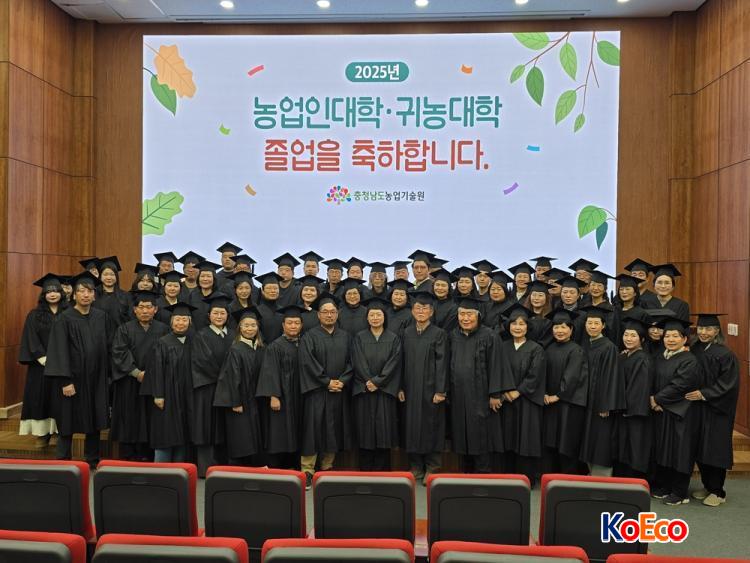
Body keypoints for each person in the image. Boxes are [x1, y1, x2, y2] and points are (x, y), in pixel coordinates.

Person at [44, 271, 110, 467]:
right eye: (81, 291)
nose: (85, 295)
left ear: (94, 295)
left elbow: (107, 346)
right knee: (67, 422)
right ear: (73, 294)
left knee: (94, 420)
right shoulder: (64, 318)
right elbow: (58, 351)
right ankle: (63, 461)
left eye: (89, 291)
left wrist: (106, 376)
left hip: (96, 379)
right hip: (72, 380)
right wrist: (65, 381)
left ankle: (92, 460)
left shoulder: (101, 316)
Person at [299, 293, 353, 488]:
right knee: (312, 430)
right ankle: (307, 470)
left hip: (338, 391)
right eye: (325, 312)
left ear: (337, 314)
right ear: (318, 315)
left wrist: (343, 381)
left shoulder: (346, 336)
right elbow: (307, 362)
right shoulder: (309, 336)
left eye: (332, 312)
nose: (329, 315)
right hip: (317, 391)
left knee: (333, 428)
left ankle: (327, 467)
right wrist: (326, 382)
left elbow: (352, 361)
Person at [110, 290, 169, 461]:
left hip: (154, 383)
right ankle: (129, 456)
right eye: (141, 307)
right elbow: (119, 352)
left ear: (155, 309)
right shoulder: (124, 329)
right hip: (129, 382)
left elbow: (167, 355)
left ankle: (147, 456)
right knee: (129, 418)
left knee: (150, 419)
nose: (145, 310)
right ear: (134, 310)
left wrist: (151, 374)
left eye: (149, 307)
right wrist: (137, 373)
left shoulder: (163, 329)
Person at [448, 297, 504, 473]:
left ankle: (483, 476)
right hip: (458, 395)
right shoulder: (453, 336)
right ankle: (466, 475)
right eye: (462, 314)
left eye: (469, 314)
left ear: (478, 316)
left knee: (481, 436)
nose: (465, 318)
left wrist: (495, 394)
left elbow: (496, 365)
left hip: (481, 396)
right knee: (461, 435)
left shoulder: (490, 336)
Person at [689, 313, 740, 507]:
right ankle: (708, 486)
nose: (703, 332)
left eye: (708, 329)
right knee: (700, 448)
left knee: (715, 449)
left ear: (717, 331)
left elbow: (729, 384)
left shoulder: (725, 354)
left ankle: (718, 491)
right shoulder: (695, 349)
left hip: (717, 410)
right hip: (698, 409)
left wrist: (704, 394)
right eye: (701, 328)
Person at [650, 317, 701, 505]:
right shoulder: (660, 357)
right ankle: (666, 486)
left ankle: (680, 492)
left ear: (684, 339)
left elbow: (680, 385)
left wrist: (657, 399)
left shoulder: (689, 360)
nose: (670, 339)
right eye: (667, 336)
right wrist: (653, 399)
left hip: (682, 413)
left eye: (675, 336)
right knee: (664, 449)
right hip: (662, 411)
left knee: (680, 451)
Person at [400, 291, 448, 484]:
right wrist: (400, 387)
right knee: (411, 426)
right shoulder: (406, 333)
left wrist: (440, 390)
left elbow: (442, 363)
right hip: (410, 388)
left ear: (431, 311)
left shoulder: (439, 333)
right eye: (417, 308)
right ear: (412, 311)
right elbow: (401, 361)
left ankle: (432, 467)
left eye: (425, 308)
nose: (421, 311)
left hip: (430, 389)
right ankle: (416, 467)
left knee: (431, 426)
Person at [351, 297, 402, 471]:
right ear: (367, 318)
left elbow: (394, 363)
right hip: (364, 390)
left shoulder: (393, 338)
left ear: (384, 317)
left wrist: (378, 381)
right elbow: (358, 361)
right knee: (365, 431)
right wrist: (369, 381)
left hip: (384, 391)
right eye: (371, 315)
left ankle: (382, 473)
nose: (375, 318)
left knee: (383, 431)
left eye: (378, 315)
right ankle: (365, 471)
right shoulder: (359, 337)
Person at [141, 302, 196, 462]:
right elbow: (156, 370)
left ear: (190, 322)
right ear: (171, 322)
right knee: (165, 433)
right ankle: (161, 470)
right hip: (167, 396)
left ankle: (180, 469)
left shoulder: (194, 342)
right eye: (177, 319)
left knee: (183, 434)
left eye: (184, 320)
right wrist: (159, 395)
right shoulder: (163, 342)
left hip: (186, 396)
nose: (181, 323)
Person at [498, 303, 546, 484]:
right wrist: (504, 391)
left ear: (528, 327)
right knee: (507, 438)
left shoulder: (536, 349)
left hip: (527, 401)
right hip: (506, 401)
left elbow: (536, 374)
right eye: (514, 324)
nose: (517, 327)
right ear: (508, 326)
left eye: (521, 324)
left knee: (525, 439)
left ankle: (525, 479)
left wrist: (518, 391)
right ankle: (506, 479)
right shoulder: (502, 347)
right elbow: (496, 371)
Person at [256, 304, 306, 469]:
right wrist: (274, 396)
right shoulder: (275, 346)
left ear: (301, 325)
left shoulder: (305, 343)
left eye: (296, 323)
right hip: (283, 396)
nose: (293, 326)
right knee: (280, 431)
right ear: (283, 325)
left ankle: (295, 465)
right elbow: (269, 372)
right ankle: (277, 467)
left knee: (298, 430)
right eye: (289, 323)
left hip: (300, 396)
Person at [191, 293, 236, 475]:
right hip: (208, 388)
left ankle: (225, 468)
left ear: (227, 315)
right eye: (215, 313)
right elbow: (203, 362)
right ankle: (206, 468)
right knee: (207, 428)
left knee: (225, 428)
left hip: (228, 390)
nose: (219, 316)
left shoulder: (233, 335)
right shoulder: (201, 335)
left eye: (222, 313)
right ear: (209, 315)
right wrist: (224, 379)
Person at [214, 306, 265, 466]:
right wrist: (235, 402)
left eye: (253, 325)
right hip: (241, 402)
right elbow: (231, 377)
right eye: (246, 325)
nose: (250, 329)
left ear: (258, 327)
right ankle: (237, 470)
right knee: (241, 438)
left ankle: (253, 469)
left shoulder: (260, 348)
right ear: (240, 328)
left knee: (253, 437)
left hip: (255, 401)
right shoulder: (236, 349)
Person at [18, 273, 66, 443]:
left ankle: (61, 432)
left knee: (60, 400)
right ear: (43, 295)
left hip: (63, 365)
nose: (52, 294)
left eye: (55, 291)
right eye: (48, 291)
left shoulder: (69, 313)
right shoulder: (34, 315)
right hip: (41, 366)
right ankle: (43, 433)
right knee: (41, 399)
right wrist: (44, 358)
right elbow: (31, 338)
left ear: (61, 293)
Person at [543, 308, 588, 475]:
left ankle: (569, 480)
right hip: (550, 403)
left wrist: (558, 395)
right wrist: (544, 393)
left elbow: (573, 376)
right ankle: (552, 479)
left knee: (567, 443)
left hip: (569, 404)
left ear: (571, 329)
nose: (559, 331)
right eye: (556, 327)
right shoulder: (549, 348)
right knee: (551, 443)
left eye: (563, 327)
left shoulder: (576, 350)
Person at [579, 304, 622, 477]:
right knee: (589, 437)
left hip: (600, 404)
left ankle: (602, 476)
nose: (592, 326)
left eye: (596, 323)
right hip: (586, 400)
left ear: (603, 325)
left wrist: (606, 405)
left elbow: (612, 377)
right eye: (589, 323)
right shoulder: (586, 344)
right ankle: (591, 473)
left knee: (601, 438)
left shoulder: (609, 347)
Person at [614, 316, 652, 479]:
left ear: (642, 339)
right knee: (623, 447)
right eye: (626, 335)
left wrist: (626, 407)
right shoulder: (623, 356)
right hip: (622, 411)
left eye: (633, 335)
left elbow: (639, 388)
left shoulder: (643, 359)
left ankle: (636, 482)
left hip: (634, 413)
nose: (628, 339)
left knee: (636, 447)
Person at [94, 256, 131, 335]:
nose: (109, 277)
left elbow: (129, 319)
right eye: (105, 274)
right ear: (100, 276)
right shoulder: (94, 295)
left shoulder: (126, 296)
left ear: (116, 277)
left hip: (120, 336)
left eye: (112, 274)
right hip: (98, 336)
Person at [188, 260, 222, 331]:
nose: (205, 279)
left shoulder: (220, 297)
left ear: (214, 279)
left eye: (208, 276)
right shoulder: (193, 296)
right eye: (202, 276)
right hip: (195, 334)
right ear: (198, 278)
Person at [255, 272, 285, 343]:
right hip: (262, 348)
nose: (272, 291)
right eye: (269, 288)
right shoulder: (256, 311)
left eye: (275, 288)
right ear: (262, 291)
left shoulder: (283, 310)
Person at [523, 280, 553, 347]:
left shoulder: (550, 320)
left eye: (540, 295)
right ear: (529, 297)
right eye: (534, 295)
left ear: (547, 298)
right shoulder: (523, 315)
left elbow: (546, 341)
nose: (536, 298)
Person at [432, 268, 458, 332]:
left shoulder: (453, 307)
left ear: (449, 288)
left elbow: (447, 329)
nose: (440, 288)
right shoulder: (429, 303)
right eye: (437, 285)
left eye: (443, 285)